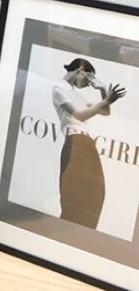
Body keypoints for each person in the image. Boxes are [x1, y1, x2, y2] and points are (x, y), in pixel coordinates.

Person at [51, 58, 125, 229]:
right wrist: (107, 100)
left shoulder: (78, 93)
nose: (88, 84)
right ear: (80, 70)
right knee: (74, 194)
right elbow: (79, 116)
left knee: (95, 193)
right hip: (75, 140)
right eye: (88, 78)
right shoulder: (59, 89)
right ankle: (67, 234)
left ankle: (82, 236)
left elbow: (105, 111)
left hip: (87, 144)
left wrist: (102, 89)